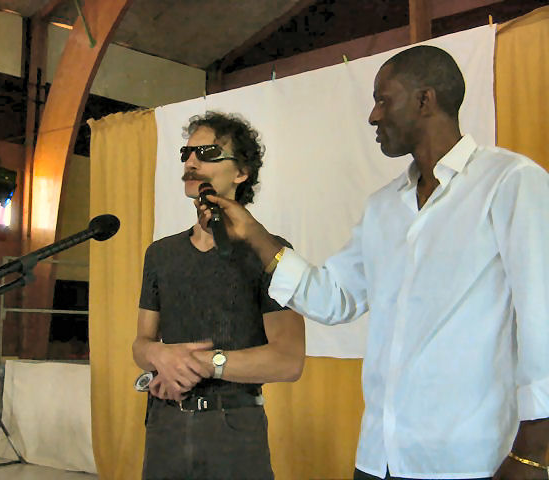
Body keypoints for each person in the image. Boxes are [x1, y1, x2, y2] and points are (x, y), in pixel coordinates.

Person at [198, 46, 549, 479]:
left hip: (465, 460)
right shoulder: (383, 207)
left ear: (425, 100)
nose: (373, 116)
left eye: (384, 100)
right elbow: (334, 298)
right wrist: (254, 234)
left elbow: (542, 318)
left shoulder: (510, 182)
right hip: (378, 457)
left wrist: (533, 454)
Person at [132, 111, 305, 480]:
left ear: (241, 172)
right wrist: (159, 354)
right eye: (187, 153)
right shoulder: (160, 254)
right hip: (165, 425)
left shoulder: (269, 253)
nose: (191, 163)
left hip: (234, 428)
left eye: (208, 153)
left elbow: (288, 361)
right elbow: (141, 345)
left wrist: (206, 363)